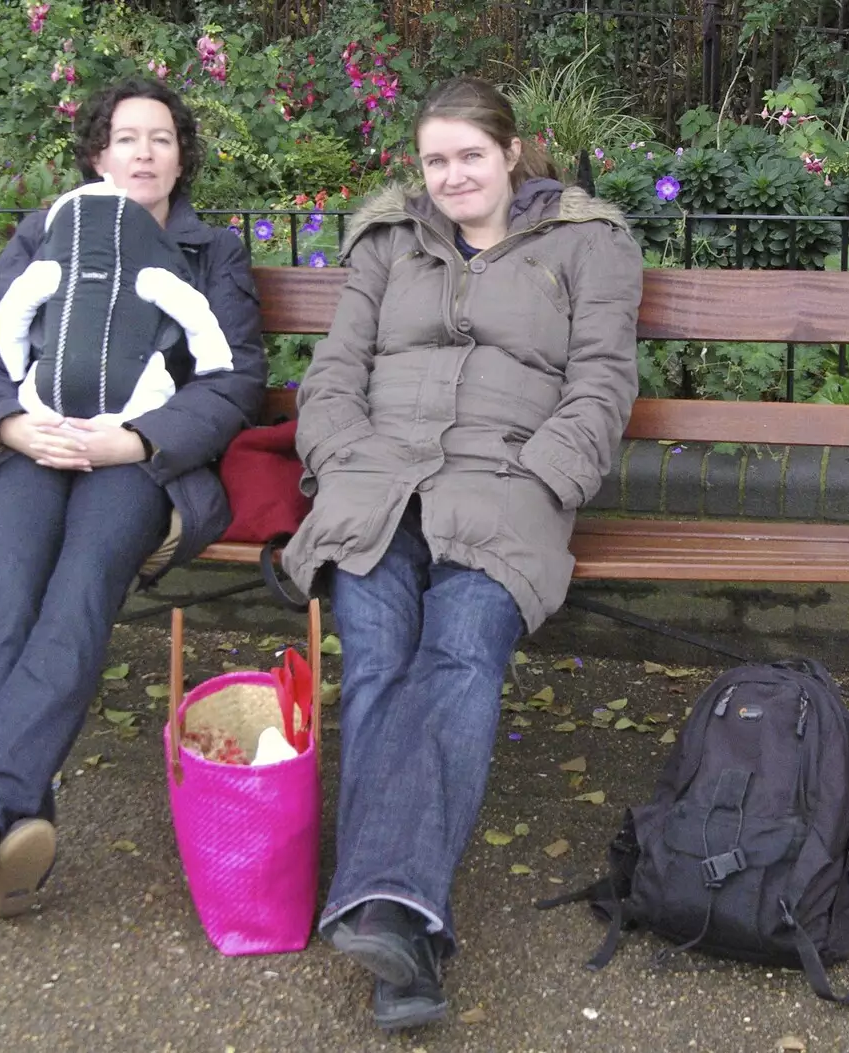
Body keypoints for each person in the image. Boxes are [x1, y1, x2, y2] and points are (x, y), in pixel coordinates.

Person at [281, 76, 643, 1030]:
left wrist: (543, 477)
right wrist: (343, 458)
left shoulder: (588, 243)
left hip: (506, 486)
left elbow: (603, 384)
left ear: (512, 150)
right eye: (435, 159)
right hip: (377, 484)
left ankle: (389, 909)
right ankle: (403, 925)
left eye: (470, 155)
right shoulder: (388, 242)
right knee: (377, 658)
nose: (452, 175)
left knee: (461, 651)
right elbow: (332, 376)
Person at [0, 78, 266, 918]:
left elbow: (236, 378)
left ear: (181, 155)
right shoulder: (49, 230)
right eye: (127, 138)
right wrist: (8, 426)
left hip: (140, 459)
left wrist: (140, 438)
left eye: (161, 138)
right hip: (32, 445)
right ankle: (15, 825)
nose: (144, 152)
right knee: (10, 601)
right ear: (98, 153)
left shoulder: (210, 251)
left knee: (79, 590)